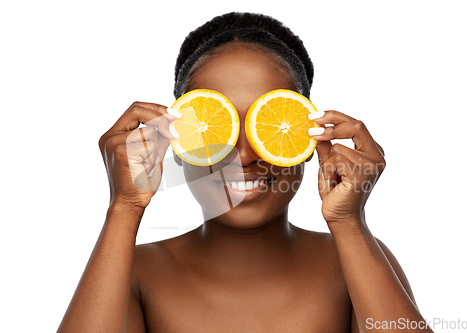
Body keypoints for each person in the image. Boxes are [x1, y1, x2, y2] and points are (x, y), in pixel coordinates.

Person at [57, 12, 432, 332]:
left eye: (265, 128)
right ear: (178, 144)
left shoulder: (356, 260)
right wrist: (124, 206)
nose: (245, 155)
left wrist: (350, 222)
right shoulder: (134, 270)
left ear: (306, 140)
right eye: (217, 131)